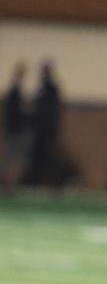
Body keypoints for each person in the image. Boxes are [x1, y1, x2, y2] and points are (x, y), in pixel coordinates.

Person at [23, 60, 62, 187]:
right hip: (39, 129)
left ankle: (50, 182)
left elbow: (53, 109)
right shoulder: (41, 88)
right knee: (36, 156)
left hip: (47, 129)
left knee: (48, 157)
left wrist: (52, 126)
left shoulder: (51, 88)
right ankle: (35, 181)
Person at [2, 62, 29, 190]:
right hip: (14, 131)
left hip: (15, 130)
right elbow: (12, 112)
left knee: (13, 159)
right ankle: (8, 184)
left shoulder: (16, 91)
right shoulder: (14, 91)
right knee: (11, 158)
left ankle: (10, 184)